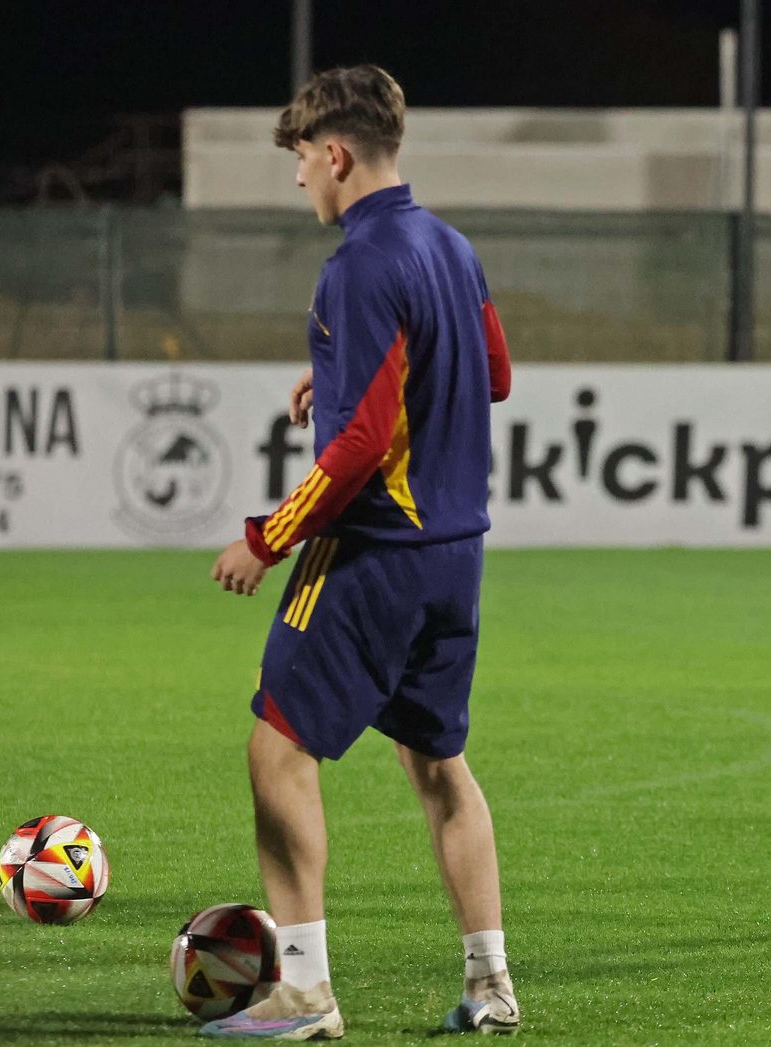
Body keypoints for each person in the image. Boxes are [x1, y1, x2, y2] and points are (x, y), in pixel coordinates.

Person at [205, 65, 519, 1037]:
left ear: (335, 154)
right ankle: (491, 985)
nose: (301, 178)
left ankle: (303, 991)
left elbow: (362, 444)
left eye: (303, 159)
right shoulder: (450, 247)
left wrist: (268, 535)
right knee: (439, 768)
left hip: (371, 553)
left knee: (278, 751)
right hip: (457, 559)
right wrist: (335, 368)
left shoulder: (357, 264)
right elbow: (496, 374)